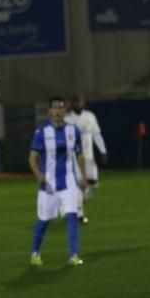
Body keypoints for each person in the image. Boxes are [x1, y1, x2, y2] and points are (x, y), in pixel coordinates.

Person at [28, 96, 88, 266]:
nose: (58, 111)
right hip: (49, 184)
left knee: (71, 216)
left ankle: (73, 255)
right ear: (49, 111)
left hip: (69, 182)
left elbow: (80, 154)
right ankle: (35, 252)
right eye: (55, 108)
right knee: (44, 219)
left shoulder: (73, 130)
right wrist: (38, 174)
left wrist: (83, 176)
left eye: (61, 108)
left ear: (64, 110)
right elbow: (32, 158)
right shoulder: (41, 133)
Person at [64, 94, 107, 223]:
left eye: (80, 102)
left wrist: (103, 151)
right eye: (76, 102)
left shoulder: (90, 116)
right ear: (72, 104)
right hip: (75, 158)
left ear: (84, 103)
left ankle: (74, 204)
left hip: (90, 157)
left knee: (93, 184)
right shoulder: (67, 119)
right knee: (79, 185)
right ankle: (79, 215)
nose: (78, 104)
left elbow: (97, 135)